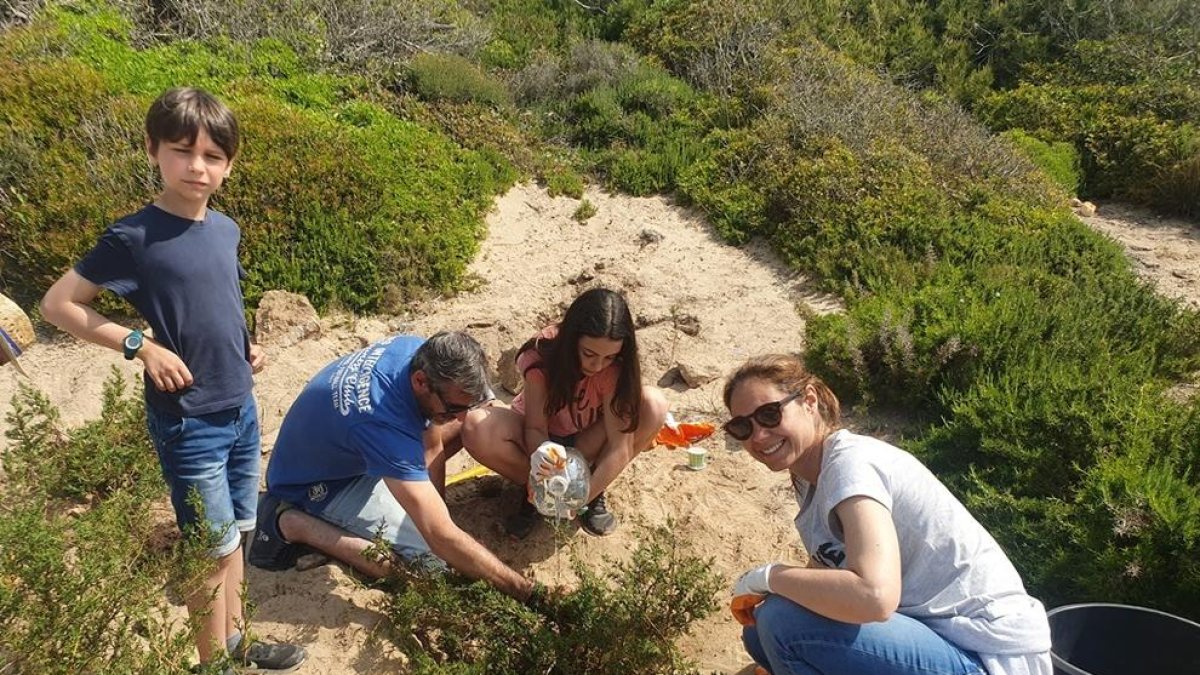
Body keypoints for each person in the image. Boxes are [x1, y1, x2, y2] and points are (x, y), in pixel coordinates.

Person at [40, 88, 306, 672]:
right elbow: (59, 305)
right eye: (182, 150)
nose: (197, 166)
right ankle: (214, 663)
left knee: (236, 535)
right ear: (152, 149)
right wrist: (140, 345)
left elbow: (216, 302)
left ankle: (237, 641)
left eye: (212, 155)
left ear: (229, 165)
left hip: (241, 409)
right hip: (188, 420)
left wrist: (246, 346)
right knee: (206, 554)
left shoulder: (225, 229)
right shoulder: (134, 236)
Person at [722, 354, 1051, 675]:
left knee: (783, 622)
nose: (759, 436)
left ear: (808, 400)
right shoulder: (809, 474)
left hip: (983, 653)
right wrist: (776, 591)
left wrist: (769, 577)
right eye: (742, 427)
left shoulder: (851, 465)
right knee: (761, 631)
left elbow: (874, 596)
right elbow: (829, 566)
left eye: (769, 414)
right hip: (928, 632)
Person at [248, 331, 551, 607]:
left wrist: (437, 511)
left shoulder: (416, 351)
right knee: (429, 567)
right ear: (421, 382)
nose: (460, 417)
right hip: (319, 485)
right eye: (453, 409)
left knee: (477, 424)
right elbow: (441, 536)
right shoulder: (382, 424)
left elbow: (431, 439)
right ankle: (294, 523)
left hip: (348, 450)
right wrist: (525, 591)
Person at [461, 287, 668, 538]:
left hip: (586, 440)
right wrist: (544, 463)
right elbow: (535, 428)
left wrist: (581, 497)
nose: (597, 365)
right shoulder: (542, 354)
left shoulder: (617, 368)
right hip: (541, 439)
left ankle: (591, 488)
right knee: (476, 427)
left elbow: (619, 446)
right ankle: (537, 493)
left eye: (609, 357)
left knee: (654, 405)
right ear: (572, 340)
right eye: (589, 354)